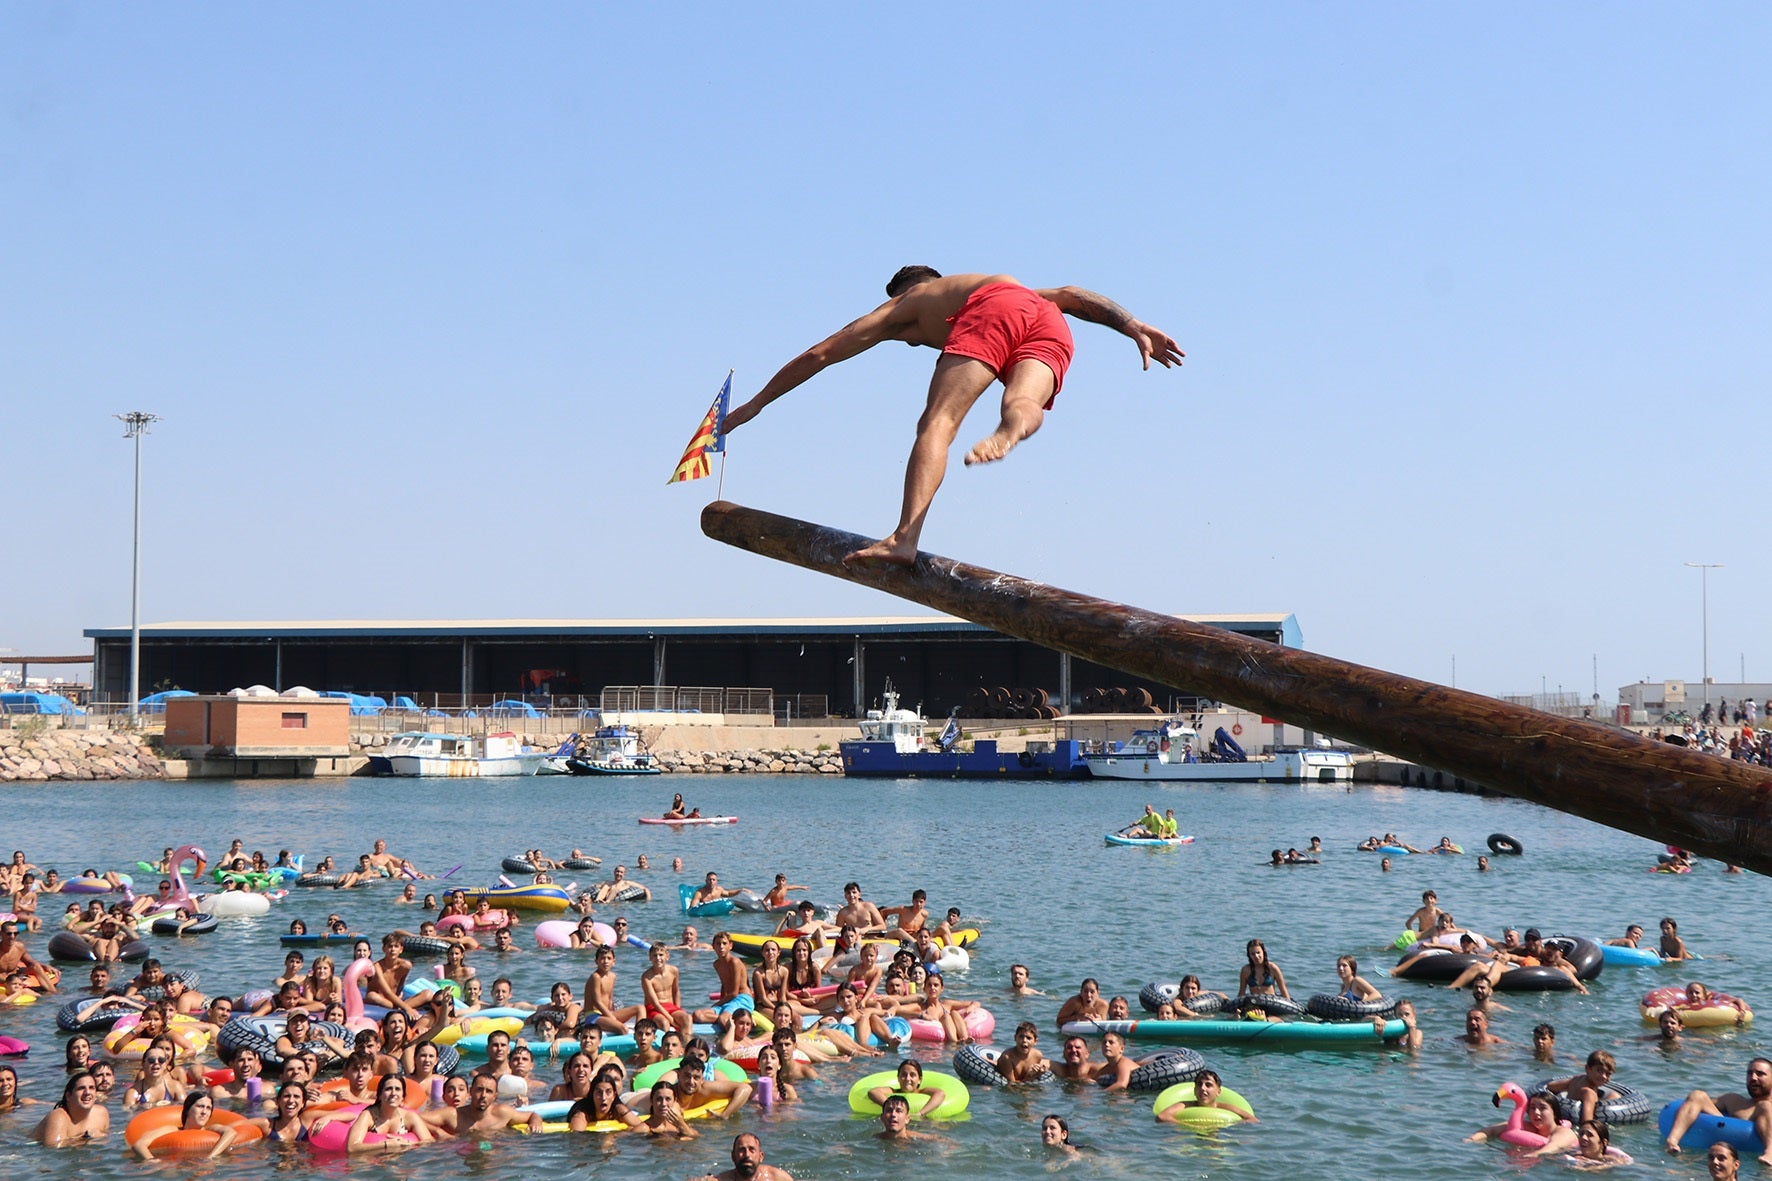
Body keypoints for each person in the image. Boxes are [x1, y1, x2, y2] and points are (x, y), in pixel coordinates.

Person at [724, 267, 1182, 563]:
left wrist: (756, 403)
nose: (907, 339)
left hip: (994, 315)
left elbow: (820, 354)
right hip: (1049, 323)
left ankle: (904, 539)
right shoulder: (997, 283)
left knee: (937, 423)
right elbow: (1071, 295)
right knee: (1023, 403)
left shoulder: (905, 304)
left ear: (908, 289)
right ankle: (1011, 429)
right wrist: (1132, 325)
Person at [1663, 1058, 1772, 1164]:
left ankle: (1770, 1152)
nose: (1753, 1077)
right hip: (1719, 1150)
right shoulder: (1734, 1101)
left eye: (1760, 1074)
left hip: (1748, 1156)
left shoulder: (1767, 1106)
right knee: (1697, 1095)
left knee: (1765, 1106)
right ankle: (1672, 1141)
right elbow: (1694, 1104)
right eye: (1749, 1073)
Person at [132, 1091, 239, 1161]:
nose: (204, 1112)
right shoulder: (172, 1130)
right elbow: (139, 1144)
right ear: (188, 1109)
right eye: (200, 1106)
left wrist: (211, 1156)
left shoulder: (211, 1130)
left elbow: (231, 1132)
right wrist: (152, 1161)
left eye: (208, 1108)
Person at [346, 1073, 435, 1153]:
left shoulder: (409, 1117)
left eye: (397, 1089)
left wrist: (408, 1144)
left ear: (403, 1097)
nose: (393, 1093)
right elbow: (352, 1147)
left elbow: (429, 1141)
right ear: (380, 1095)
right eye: (388, 1089)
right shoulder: (368, 1116)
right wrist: (386, 1145)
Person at [1467, 1090, 1576, 1154]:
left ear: (1555, 1113)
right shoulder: (1526, 1127)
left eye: (1542, 1108)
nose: (1536, 1112)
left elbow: (1555, 1146)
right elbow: (1490, 1130)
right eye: (1532, 1108)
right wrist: (1470, 1140)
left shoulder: (1564, 1133)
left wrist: (1531, 1155)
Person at [1156, 1068, 1257, 1123]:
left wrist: (1232, 1125)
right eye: (1199, 1085)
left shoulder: (1226, 1108)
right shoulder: (1185, 1105)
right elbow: (1161, 1116)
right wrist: (1186, 1125)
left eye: (1208, 1085)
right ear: (1195, 1091)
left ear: (1218, 1092)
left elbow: (1253, 1120)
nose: (1203, 1088)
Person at [34, 1071, 108, 1146]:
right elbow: (53, 1147)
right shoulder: (58, 1117)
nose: (87, 1092)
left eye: (91, 1088)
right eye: (81, 1088)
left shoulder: (101, 1113)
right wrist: (85, 1138)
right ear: (68, 1096)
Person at [1545, 1050, 1620, 1124]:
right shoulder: (1589, 1093)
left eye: (1608, 1074)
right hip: (1575, 1121)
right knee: (1615, 1096)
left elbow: (1550, 1086)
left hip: (1566, 1113)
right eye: (1599, 1070)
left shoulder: (1577, 1079)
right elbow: (1587, 1122)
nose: (1603, 1076)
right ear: (1587, 1069)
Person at [688, 1132, 794, 1181]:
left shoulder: (777, 1177)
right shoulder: (721, 1180)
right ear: (733, 1157)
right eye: (741, 1150)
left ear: (761, 1156)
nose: (747, 1155)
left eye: (752, 1150)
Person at [865, 1059, 945, 1122]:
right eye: (904, 1075)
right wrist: (892, 1107)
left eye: (912, 1075)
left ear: (919, 1080)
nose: (907, 1079)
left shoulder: (922, 1092)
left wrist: (920, 1114)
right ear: (898, 1078)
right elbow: (873, 1092)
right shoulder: (894, 1092)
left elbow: (940, 1093)